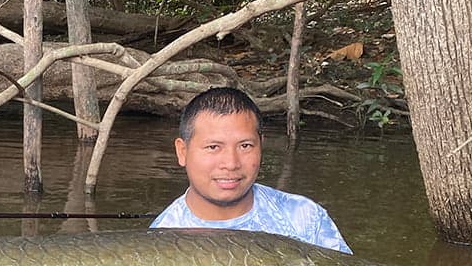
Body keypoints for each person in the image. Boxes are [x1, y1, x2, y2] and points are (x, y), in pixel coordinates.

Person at [151, 87, 352, 253]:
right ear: (182, 151)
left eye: (245, 146)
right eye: (213, 147)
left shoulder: (305, 219)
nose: (231, 163)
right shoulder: (159, 243)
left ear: (260, 146)